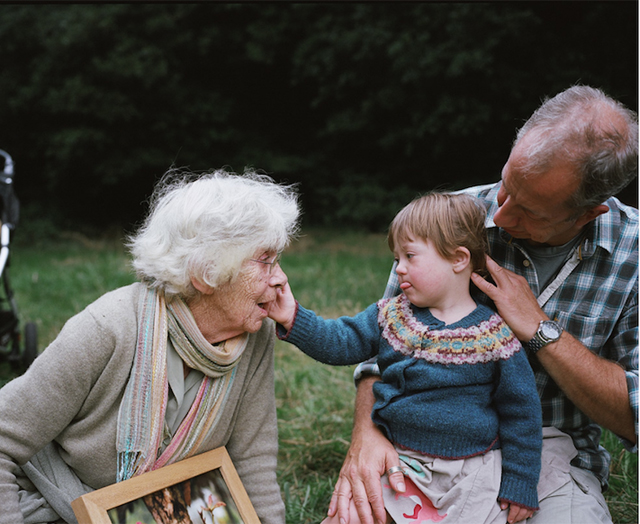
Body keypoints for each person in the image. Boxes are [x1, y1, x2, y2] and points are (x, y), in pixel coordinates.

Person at [329, 85, 638, 524]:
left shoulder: (634, 256)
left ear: (590, 213)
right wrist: (366, 434)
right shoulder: (449, 220)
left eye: (531, 211)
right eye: (508, 185)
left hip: (548, 451)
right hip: (424, 446)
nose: (502, 216)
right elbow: (381, 345)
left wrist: (540, 329)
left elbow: (634, 416)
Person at [0, 168, 300, 524]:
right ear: (207, 273)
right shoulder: (107, 327)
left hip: (166, 510)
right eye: (265, 261)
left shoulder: (255, 335)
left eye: (277, 260)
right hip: (56, 502)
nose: (281, 278)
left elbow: (253, 461)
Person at [268, 192, 543, 524]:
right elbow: (340, 342)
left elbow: (521, 411)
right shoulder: (392, 315)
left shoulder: (494, 333)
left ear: (457, 259)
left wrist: (521, 482)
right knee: (349, 518)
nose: (399, 269)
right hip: (401, 460)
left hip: (472, 470)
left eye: (410, 256)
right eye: (397, 257)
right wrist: (292, 317)